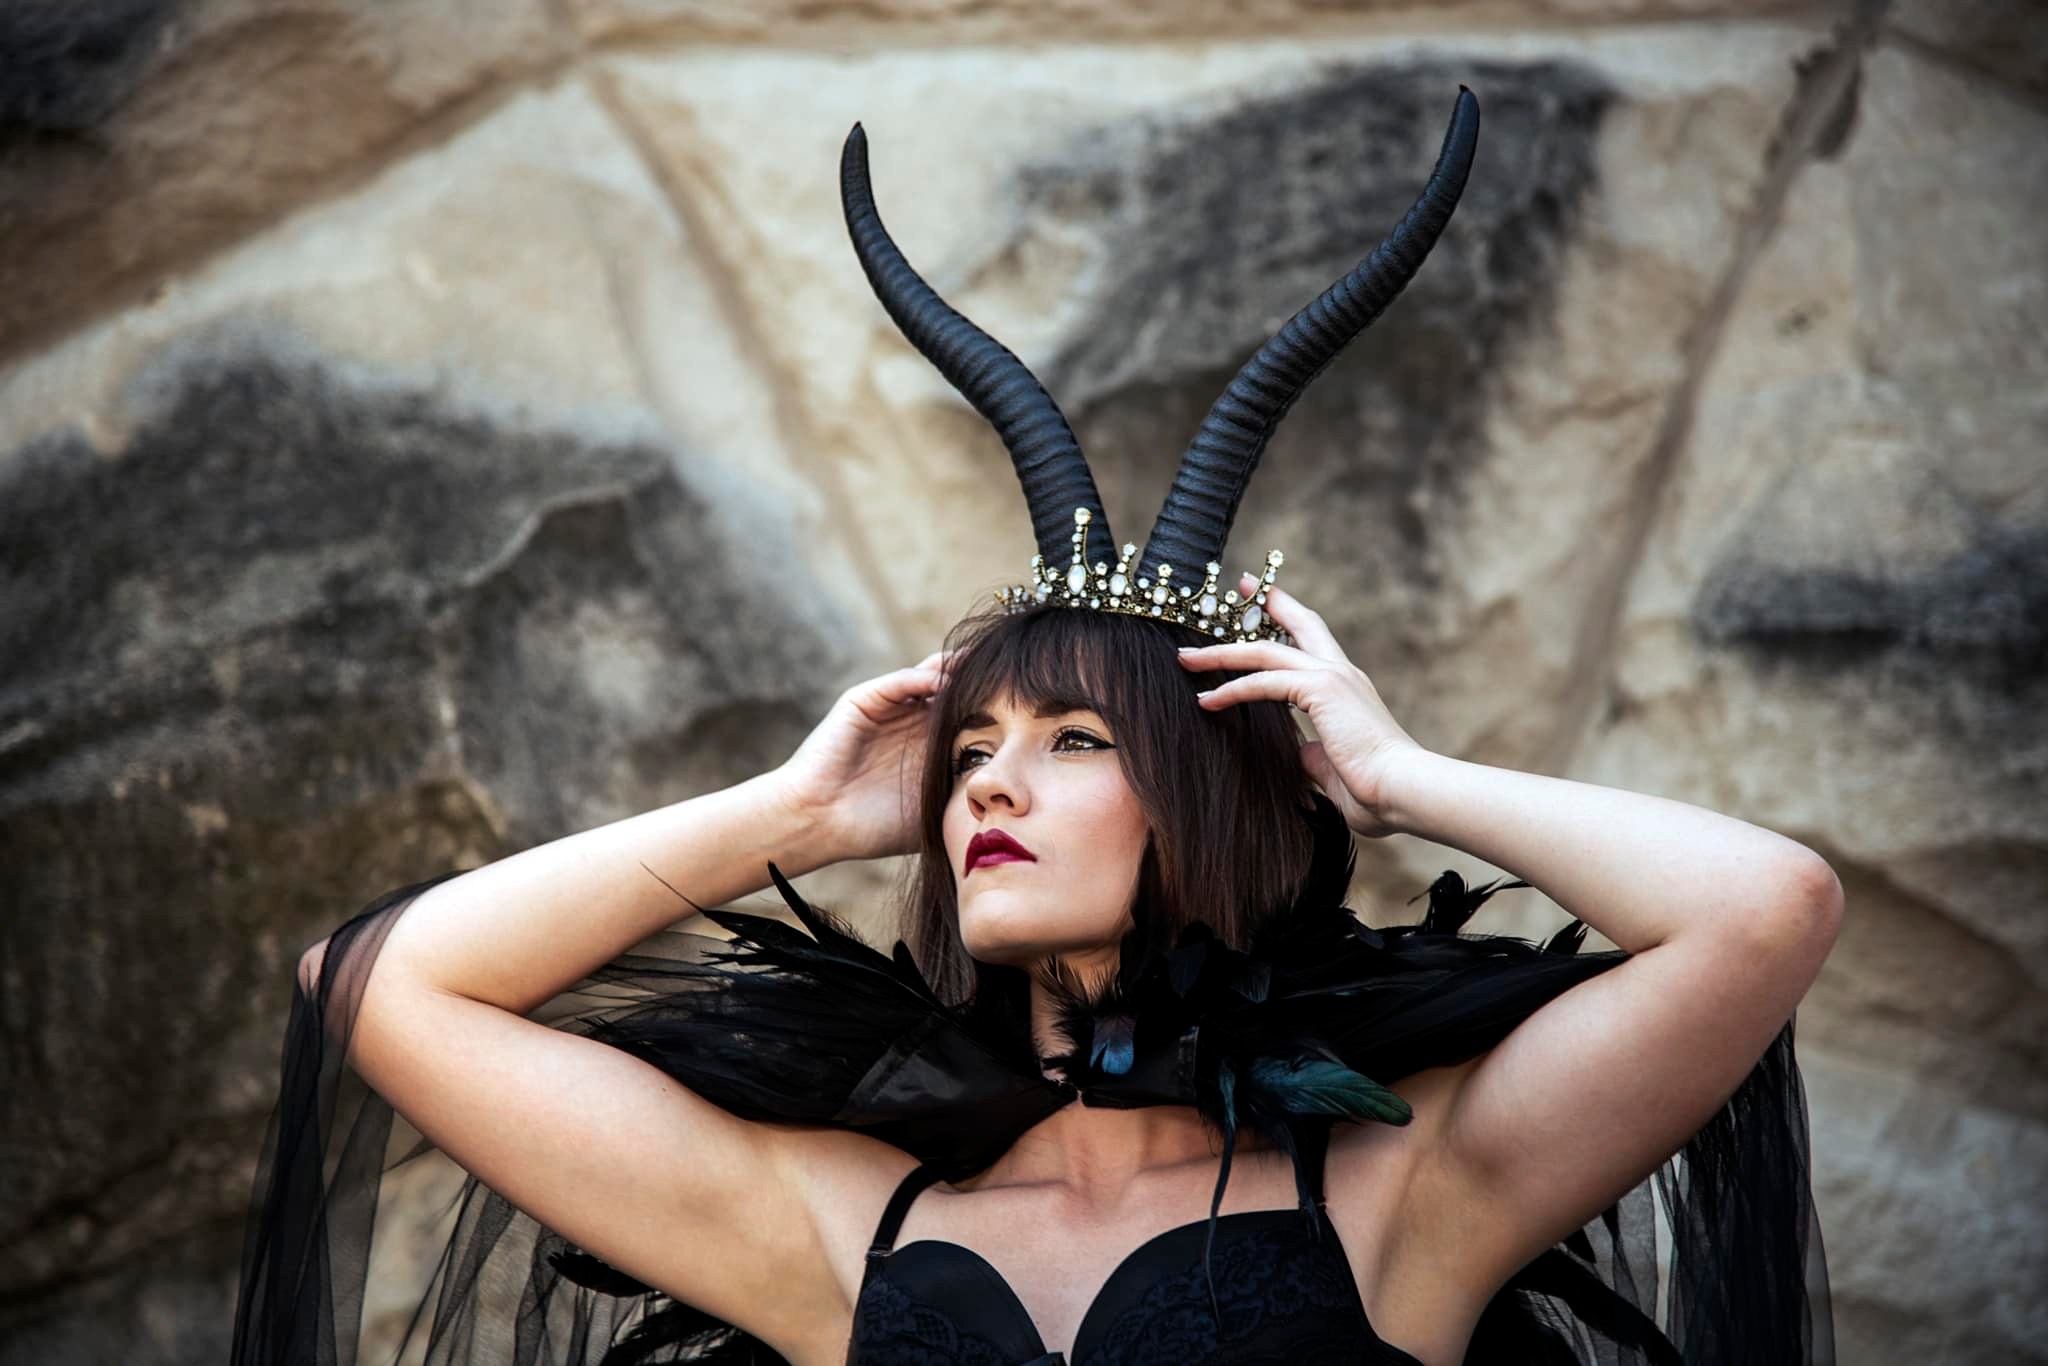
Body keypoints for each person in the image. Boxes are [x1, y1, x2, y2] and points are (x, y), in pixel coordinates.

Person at [232, 89, 1837, 1365]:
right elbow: (377, 985)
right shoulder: (839, 1221)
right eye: (971, 748)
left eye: (1075, 739)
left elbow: (1766, 910)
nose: (991, 781)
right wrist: (791, 817)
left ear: (1207, 807)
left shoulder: (1410, 1182)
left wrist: (1398, 777)